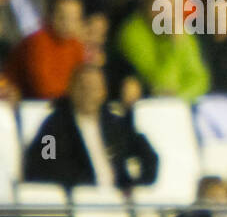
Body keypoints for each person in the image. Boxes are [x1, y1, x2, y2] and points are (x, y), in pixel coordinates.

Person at [22, 63, 159, 192]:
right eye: (82, 87)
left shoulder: (116, 125)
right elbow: (44, 162)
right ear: (71, 89)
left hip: (117, 199)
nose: (88, 93)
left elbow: (149, 156)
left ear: (103, 92)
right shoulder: (53, 128)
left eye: (94, 88)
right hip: (76, 202)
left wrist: (136, 184)